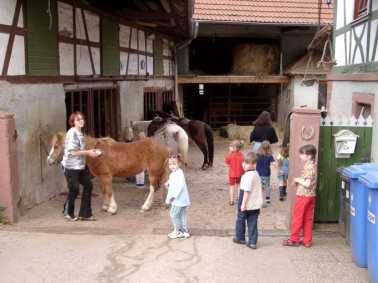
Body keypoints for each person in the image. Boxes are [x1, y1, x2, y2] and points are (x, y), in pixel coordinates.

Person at [62, 111, 101, 221]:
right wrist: (88, 152)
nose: (81, 121)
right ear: (73, 122)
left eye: (82, 119)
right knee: (74, 189)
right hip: (71, 167)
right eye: (78, 119)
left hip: (80, 166)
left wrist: (92, 151)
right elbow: (73, 152)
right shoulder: (72, 133)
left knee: (88, 185)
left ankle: (85, 214)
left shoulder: (81, 134)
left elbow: (81, 151)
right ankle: (69, 212)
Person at [283, 144, 317, 248]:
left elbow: (307, 183)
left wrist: (297, 179)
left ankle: (294, 239)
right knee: (308, 218)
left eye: (302, 154)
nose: (300, 156)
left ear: (309, 156)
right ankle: (307, 240)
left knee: (297, 217)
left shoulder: (309, 167)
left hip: (303, 195)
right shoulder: (313, 165)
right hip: (311, 195)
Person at [233, 152, 263, 249]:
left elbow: (246, 191)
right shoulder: (256, 174)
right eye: (244, 163)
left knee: (240, 219)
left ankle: (240, 237)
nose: (244, 165)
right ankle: (252, 241)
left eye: (247, 163)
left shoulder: (246, 176)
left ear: (254, 164)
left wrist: (243, 204)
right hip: (255, 203)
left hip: (246, 202)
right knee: (253, 222)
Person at [165, 154, 191, 239]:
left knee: (173, 214)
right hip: (182, 200)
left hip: (178, 200)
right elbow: (172, 179)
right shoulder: (176, 173)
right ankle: (184, 230)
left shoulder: (178, 174)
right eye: (170, 164)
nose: (172, 166)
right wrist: (168, 183)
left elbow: (179, 186)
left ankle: (177, 231)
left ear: (179, 164)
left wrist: (173, 196)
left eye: (174, 164)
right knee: (182, 214)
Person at [224, 140, 244, 206]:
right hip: (240, 173)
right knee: (239, 186)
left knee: (232, 186)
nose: (229, 147)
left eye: (231, 146)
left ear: (234, 148)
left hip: (232, 174)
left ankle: (231, 201)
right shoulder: (241, 155)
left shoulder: (230, 155)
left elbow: (226, 162)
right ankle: (239, 198)